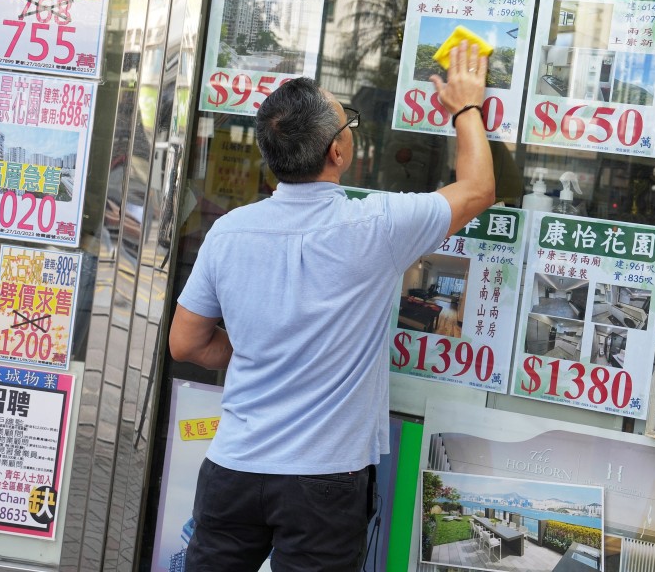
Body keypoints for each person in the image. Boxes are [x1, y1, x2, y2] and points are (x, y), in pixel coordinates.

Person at [168, 41, 494, 571]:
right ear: (338, 153)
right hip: (324, 480)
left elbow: (186, 343)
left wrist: (259, 343)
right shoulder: (376, 226)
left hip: (234, 468)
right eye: (349, 125)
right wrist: (466, 107)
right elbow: (478, 189)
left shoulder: (228, 232)